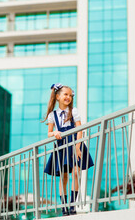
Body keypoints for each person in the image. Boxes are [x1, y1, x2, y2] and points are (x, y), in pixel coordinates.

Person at [42, 83, 93, 216]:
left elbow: (79, 129)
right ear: (57, 96)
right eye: (65, 94)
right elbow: (49, 132)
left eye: (70, 95)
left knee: (76, 173)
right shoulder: (52, 115)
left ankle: (72, 205)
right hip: (61, 146)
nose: (68, 97)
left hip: (74, 143)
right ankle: (64, 207)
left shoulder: (73, 111)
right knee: (64, 177)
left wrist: (77, 147)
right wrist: (54, 133)